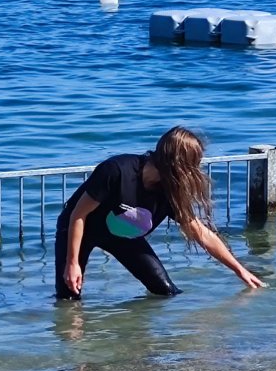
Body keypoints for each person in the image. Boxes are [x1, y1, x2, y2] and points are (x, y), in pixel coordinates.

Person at [55, 126, 264, 299]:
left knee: (166, 292)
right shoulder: (116, 171)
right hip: (79, 229)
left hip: (123, 236)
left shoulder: (169, 192)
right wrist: (72, 264)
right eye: (192, 166)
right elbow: (78, 215)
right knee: (69, 298)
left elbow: (201, 233)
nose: (195, 173)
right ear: (176, 164)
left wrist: (240, 270)